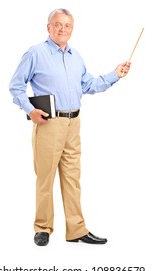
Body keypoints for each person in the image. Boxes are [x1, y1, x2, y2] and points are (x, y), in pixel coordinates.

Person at [9, 8, 131, 246]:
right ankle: (42, 228)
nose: (63, 29)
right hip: (48, 124)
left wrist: (115, 74)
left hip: (74, 123)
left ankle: (76, 230)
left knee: (73, 179)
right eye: (58, 24)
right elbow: (15, 86)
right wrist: (30, 110)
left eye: (67, 26)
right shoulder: (35, 53)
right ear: (48, 27)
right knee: (45, 178)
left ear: (72, 30)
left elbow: (89, 85)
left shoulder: (76, 56)